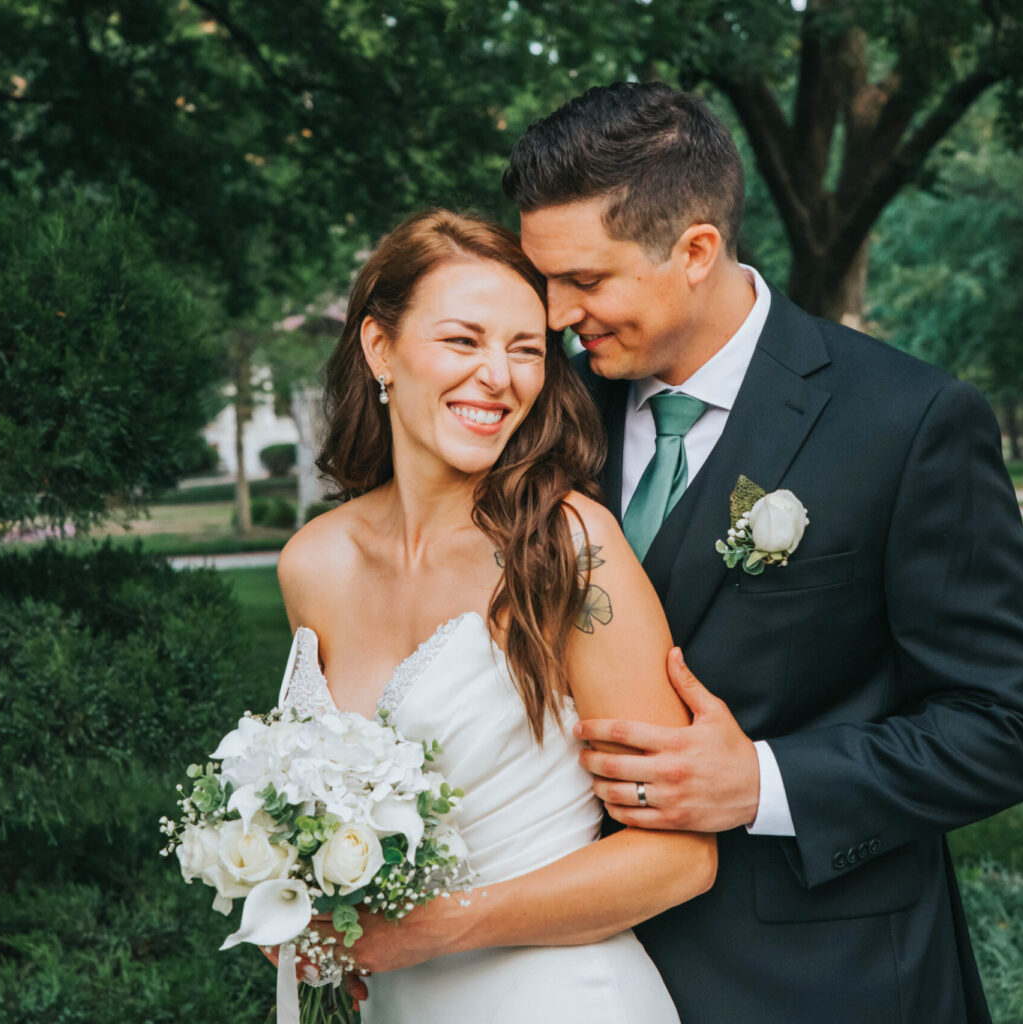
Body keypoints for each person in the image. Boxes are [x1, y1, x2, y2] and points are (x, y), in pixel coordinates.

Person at [496, 82, 1023, 1022]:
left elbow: (1011, 728)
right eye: (543, 279)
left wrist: (760, 780)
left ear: (695, 251)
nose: (557, 315)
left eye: (586, 281)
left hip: (819, 977)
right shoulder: (549, 414)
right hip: (570, 969)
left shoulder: (910, 422)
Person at [272, 208, 714, 1022]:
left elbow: (678, 857)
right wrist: (286, 892)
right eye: (462, 341)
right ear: (380, 348)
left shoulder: (568, 548)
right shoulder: (314, 563)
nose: (499, 377)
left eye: (525, 349)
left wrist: (435, 929)